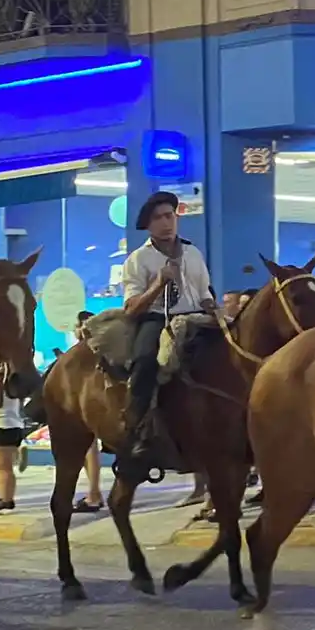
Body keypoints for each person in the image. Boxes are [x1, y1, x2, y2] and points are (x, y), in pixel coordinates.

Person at [117, 191, 216, 482]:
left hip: (196, 316)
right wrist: (158, 283)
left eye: (169, 215)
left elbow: (204, 292)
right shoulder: (139, 259)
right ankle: (136, 433)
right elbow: (131, 307)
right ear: (148, 225)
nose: (166, 222)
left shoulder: (193, 252)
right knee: (145, 362)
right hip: (157, 319)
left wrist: (215, 309)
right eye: (158, 218)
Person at [70, 310, 106, 514]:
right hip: (82, 404)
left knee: (89, 449)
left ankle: (94, 494)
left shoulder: (92, 351)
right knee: (87, 450)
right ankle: (94, 493)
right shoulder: (85, 350)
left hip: (89, 405)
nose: (77, 330)